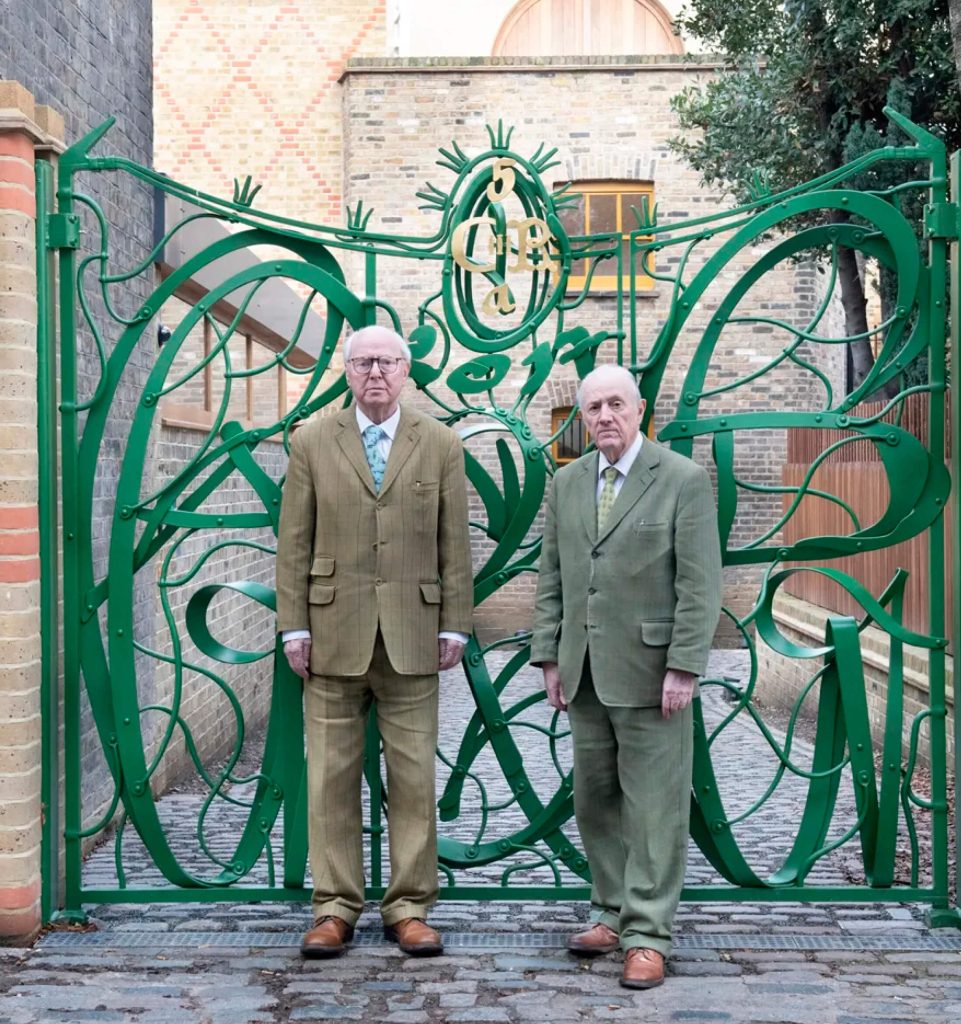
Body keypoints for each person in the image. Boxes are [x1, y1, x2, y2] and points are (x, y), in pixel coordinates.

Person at [275, 325, 473, 959]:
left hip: (414, 635)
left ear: (406, 369)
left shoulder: (439, 442)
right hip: (332, 634)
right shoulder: (311, 440)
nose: (375, 374)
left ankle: (410, 907)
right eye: (363, 363)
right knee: (331, 777)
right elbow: (294, 541)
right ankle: (334, 908)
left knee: (412, 779)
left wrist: (455, 622)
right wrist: (294, 624)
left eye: (386, 361)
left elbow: (455, 543)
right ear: (347, 372)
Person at [531, 364, 722, 990]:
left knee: (655, 808)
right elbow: (553, 576)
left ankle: (647, 934)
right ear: (582, 418)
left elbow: (700, 584)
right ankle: (609, 913)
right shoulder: (566, 482)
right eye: (593, 408)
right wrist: (550, 655)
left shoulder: (682, 479)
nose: (605, 417)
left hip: (652, 674)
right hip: (584, 672)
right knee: (596, 803)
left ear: (640, 409)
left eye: (616, 404)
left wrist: (685, 665)